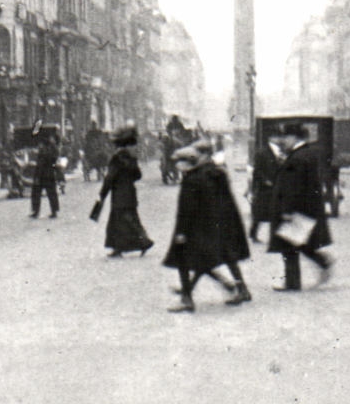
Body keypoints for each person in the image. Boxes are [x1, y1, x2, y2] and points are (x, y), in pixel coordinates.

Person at [162, 139, 252, 312]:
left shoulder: (192, 180)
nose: (177, 167)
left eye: (179, 163)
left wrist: (181, 232)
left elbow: (186, 210)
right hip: (221, 223)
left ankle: (187, 298)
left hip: (198, 227)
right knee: (222, 257)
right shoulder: (217, 172)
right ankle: (240, 288)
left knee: (186, 259)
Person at [268, 122, 333, 291]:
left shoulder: (297, 158)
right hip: (307, 208)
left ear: (294, 137)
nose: (284, 141)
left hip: (297, 209)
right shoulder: (307, 154)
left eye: (286, 137)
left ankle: (294, 281)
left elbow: (292, 187)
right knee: (298, 243)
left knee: (290, 244)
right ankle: (319, 263)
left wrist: (287, 210)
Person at [93, 124, 152, 257]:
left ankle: (142, 243)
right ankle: (126, 246)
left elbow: (109, 178)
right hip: (131, 193)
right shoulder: (131, 158)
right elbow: (138, 175)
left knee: (119, 222)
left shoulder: (116, 158)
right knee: (129, 220)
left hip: (119, 194)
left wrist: (102, 194)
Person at [247, 129, 282, 244]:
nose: (279, 139)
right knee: (260, 213)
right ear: (271, 138)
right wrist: (265, 180)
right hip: (265, 187)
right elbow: (257, 171)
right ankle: (253, 233)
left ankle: (274, 236)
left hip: (276, 185)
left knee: (275, 212)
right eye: (277, 137)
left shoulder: (280, 151)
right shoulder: (262, 153)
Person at [30, 123, 61, 218]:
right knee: (47, 192)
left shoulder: (48, 147)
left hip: (44, 172)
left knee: (41, 192)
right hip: (46, 172)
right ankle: (51, 211)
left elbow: (50, 158)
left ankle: (38, 211)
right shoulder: (51, 146)